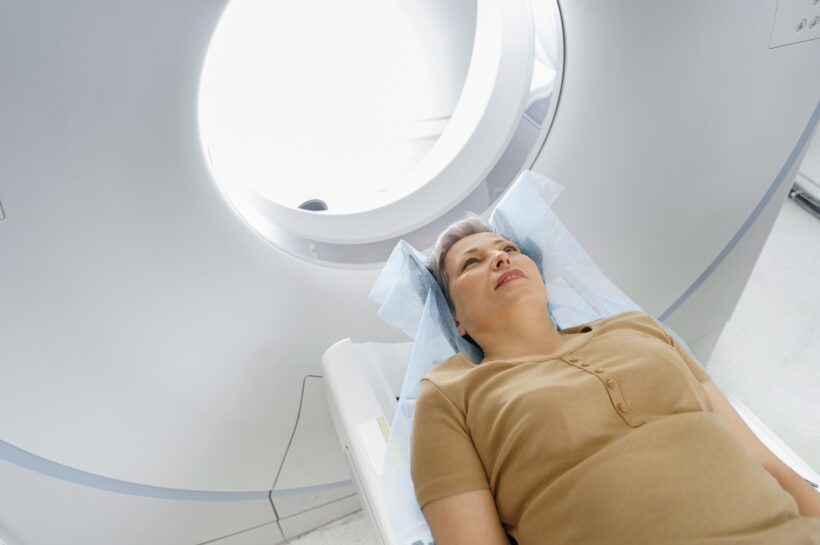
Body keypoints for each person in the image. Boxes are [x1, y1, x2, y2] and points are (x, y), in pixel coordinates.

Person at [410, 215, 820, 545]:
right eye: (471, 262)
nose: (501, 258)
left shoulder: (635, 328)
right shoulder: (449, 392)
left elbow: (763, 460)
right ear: (455, 321)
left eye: (509, 249)